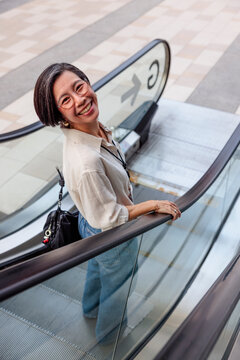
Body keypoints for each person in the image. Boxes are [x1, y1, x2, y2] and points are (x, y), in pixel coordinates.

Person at [34, 63, 181, 345]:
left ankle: (90, 311)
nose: (80, 99)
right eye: (66, 100)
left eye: (79, 86)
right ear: (60, 115)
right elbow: (111, 217)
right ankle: (110, 339)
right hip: (109, 233)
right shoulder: (86, 161)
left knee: (98, 268)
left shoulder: (90, 129)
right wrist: (152, 204)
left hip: (89, 224)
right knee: (118, 288)